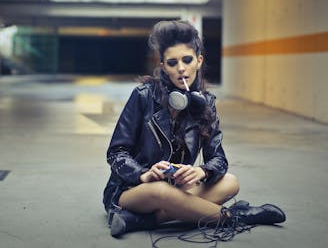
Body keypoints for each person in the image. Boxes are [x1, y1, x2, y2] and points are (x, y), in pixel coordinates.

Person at [103, 20, 285, 238]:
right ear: (163, 66)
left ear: (198, 61)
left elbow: (219, 159)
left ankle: (146, 220)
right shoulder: (143, 95)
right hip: (133, 190)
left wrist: (202, 171)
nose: (181, 68)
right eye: (172, 63)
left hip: (177, 190)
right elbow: (116, 153)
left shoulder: (205, 103)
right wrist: (143, 174)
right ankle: (238, 217)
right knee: (162, 191)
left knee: (230, 182)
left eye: (187, 60)